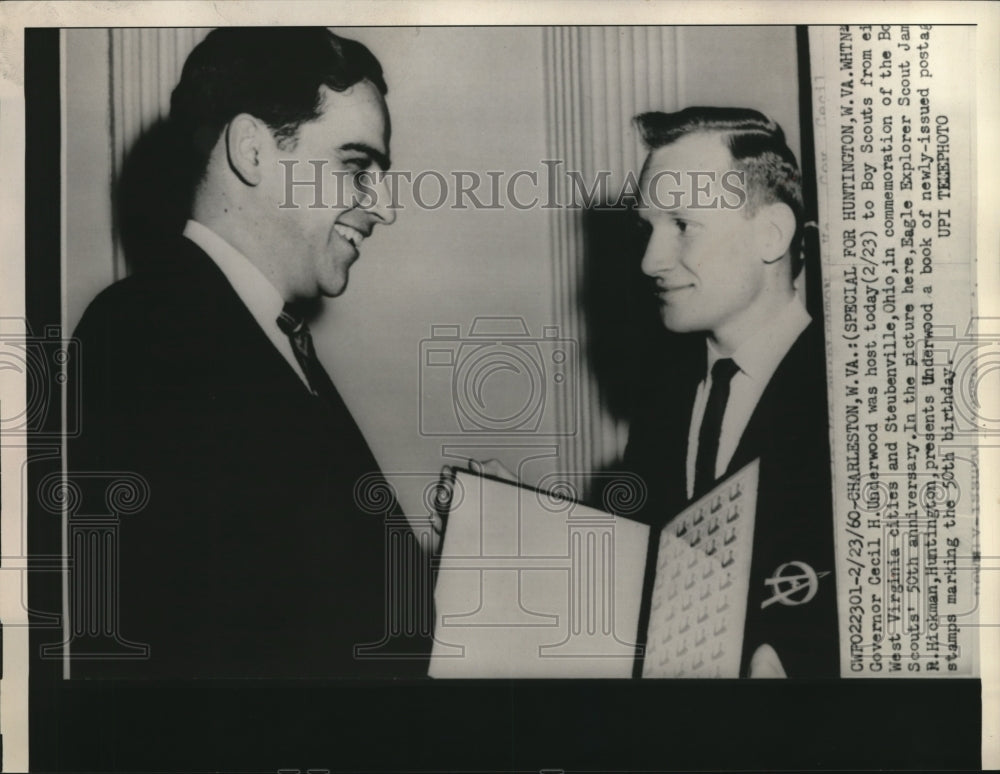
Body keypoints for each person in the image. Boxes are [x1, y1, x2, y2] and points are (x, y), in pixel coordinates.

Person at [67, 27, 432, 678]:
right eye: (355, 166)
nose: (384, 207)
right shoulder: (148, 332)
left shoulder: (255, 334)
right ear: (252, 151)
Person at [623, 107, 839, 678]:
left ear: (771, 235)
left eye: (682, 225)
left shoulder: (857, 405)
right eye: (648, 227)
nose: (650, 260)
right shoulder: (662, 400)